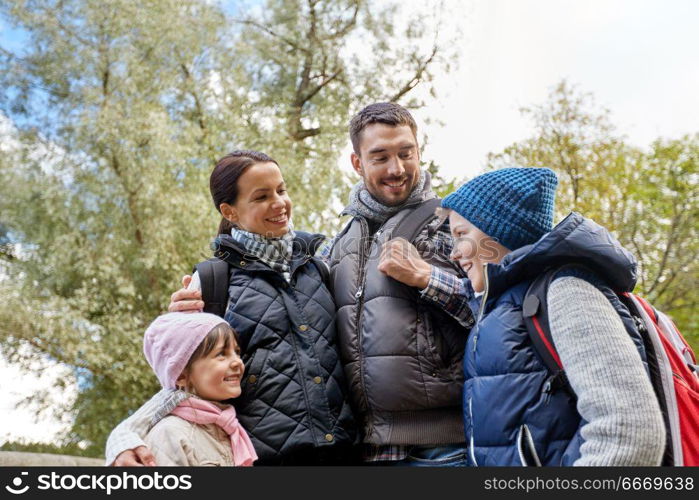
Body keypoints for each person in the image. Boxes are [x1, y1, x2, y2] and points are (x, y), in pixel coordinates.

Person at [135, 103, 473, 466]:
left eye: (406, 153)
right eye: (380, 157)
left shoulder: (449, 225)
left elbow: (492, 309)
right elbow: (182, 382)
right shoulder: (333, 251)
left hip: (431, 445)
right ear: (357, 163)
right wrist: (127, 436)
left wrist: (425, 278)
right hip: (339, 453)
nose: (397, 168)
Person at [105, 150, 357, 466]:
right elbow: (182, 380)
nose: (279, 203)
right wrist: (125, 435)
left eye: (281, 190)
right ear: (230, 211)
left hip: (345, 454)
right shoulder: (209, 283)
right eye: (261, 196)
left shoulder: (317, 268)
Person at [440, 166, 666, 466]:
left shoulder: (565, 290)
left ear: (497, 229)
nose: (454, 253)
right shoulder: (505, 305)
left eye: (461, 234)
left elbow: (628, 432)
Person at [140, 312, 257, 466]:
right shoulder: (169, 434)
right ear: (181, 375)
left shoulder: (230, 427)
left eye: (236, 352)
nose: (237, 362)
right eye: (221, 354)